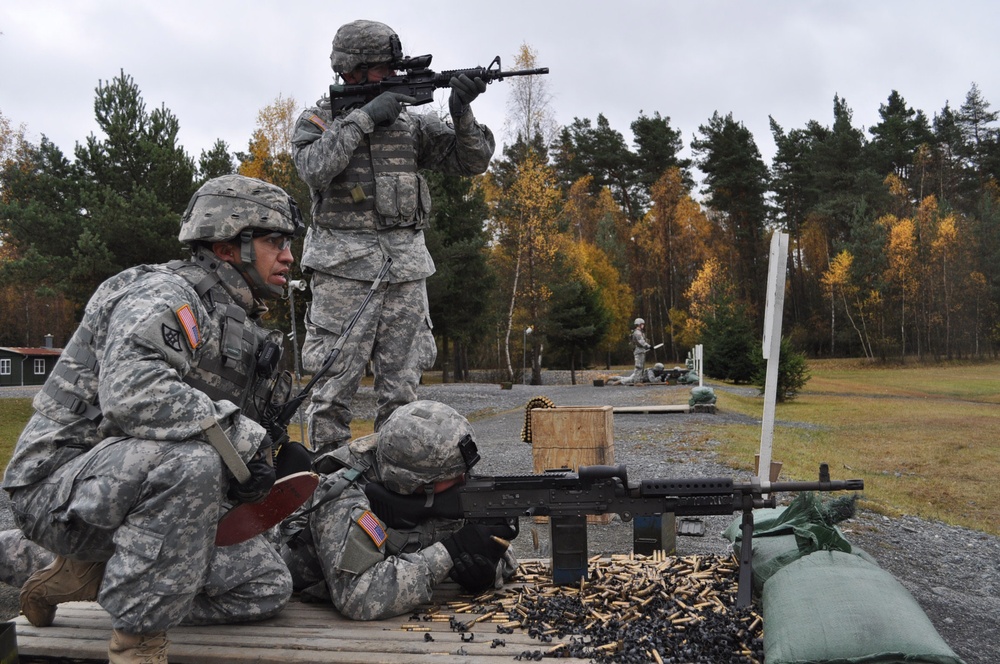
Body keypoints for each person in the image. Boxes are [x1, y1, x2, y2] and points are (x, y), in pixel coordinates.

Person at [0, 174, 305, 662]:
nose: (288, 255)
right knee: (192, 464)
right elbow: (132, 393)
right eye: (275, 241)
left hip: (130, 488)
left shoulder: (239, 324)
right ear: (228, 247)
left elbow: (221, 428)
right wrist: (242, 439)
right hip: (55, 484)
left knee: (266, 584)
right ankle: (137, 645)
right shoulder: (165, 294)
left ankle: (87, 576)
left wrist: (275, 455)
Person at [292, 19, 497, 454]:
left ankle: (395, 488)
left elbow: (471, 161)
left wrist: (462, 111)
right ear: (354, 71)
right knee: (331, 395)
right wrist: (365, 118)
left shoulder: (410, 126)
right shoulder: (317, 119)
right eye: (384, 69)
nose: (393, 77)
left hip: (404, 274)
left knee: (402, 396)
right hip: (342, 275)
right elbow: (314, 168)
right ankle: (326, 492)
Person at [281, 400, 518, 620]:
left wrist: (487, 567)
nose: (465, 480)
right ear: (412, 482)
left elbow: (501, 554)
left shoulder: (443, 479)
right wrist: (450, 552)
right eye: (453, 476)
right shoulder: (343, 494)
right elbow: (358, 596)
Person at [631, 318, 652, 382]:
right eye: (642, 324)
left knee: (642, 367)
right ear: (639, 324)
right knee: (639, 367)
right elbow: (641, 341)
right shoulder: (637, 333)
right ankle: (637, 381)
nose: (643, 325)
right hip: (639, 351)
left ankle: (639, 380)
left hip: (641, 351)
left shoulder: (640, 332)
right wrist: (649, 346)